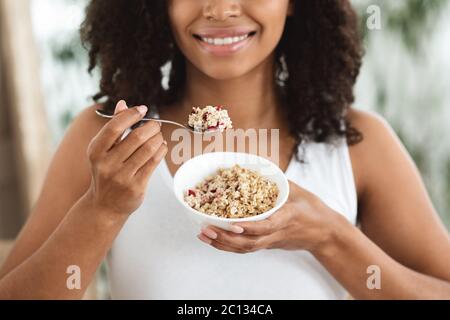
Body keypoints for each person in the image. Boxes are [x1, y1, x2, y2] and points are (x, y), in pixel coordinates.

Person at [1, 0, 449, 299]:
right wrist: (101, 211)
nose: (220, 9)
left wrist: (331, 237)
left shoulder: (357, 144)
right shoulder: (106, 140)